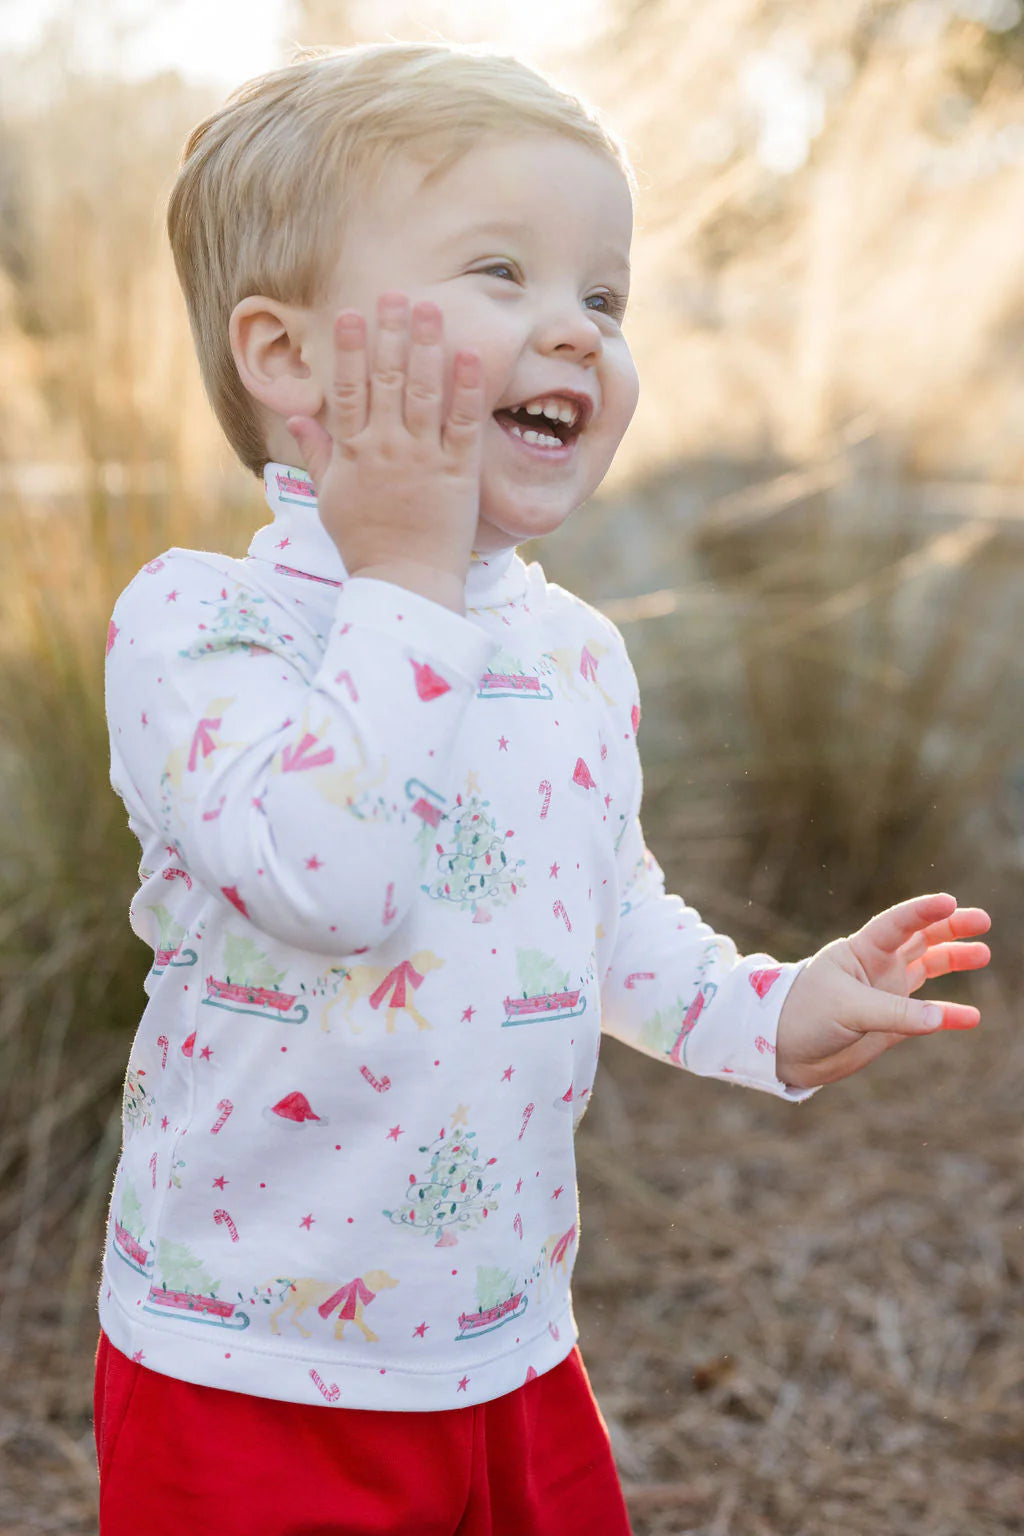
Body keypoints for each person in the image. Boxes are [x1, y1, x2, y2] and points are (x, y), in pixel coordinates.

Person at [93, 41, 991, 1536]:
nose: (574, 332)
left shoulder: (569, 647)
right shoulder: (203, 628)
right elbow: (336, 881)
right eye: (500, 272)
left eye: (603, 296)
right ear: (288, 358)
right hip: (252, 1360)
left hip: (500, 1339)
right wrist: (403, 579)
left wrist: (770, 1012)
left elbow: (600, 922)